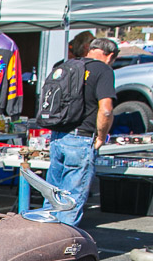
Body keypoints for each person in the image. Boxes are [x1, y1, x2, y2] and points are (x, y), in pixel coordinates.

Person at [44, 37, 118, 226]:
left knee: (52, 197)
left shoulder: (66, 65)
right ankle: (64, 249)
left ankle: (43, 246)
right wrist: (102, 136)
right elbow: (106, 109)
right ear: (110, 56)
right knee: (71, 200)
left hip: (57, 137)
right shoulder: (104, 70)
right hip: (81, 138)